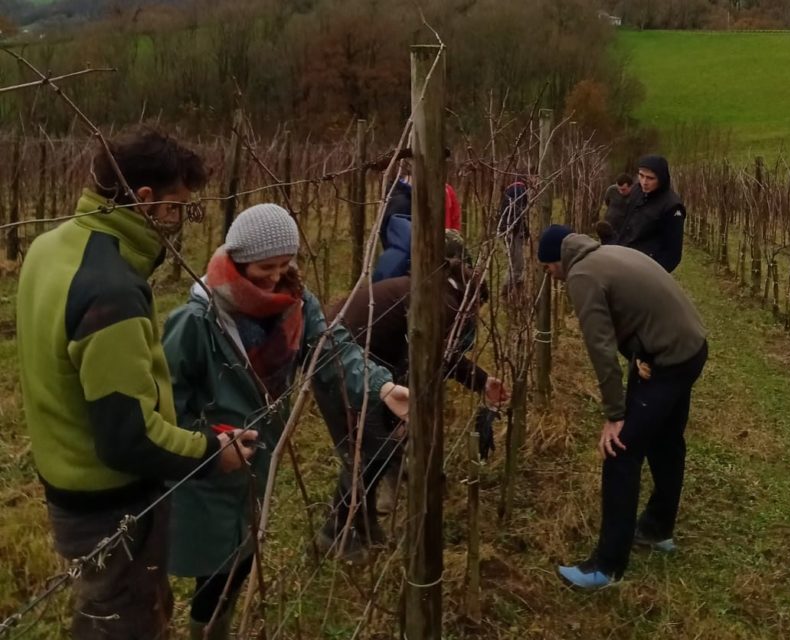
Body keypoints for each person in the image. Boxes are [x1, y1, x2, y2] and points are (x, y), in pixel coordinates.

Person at [16, 128, 257, 640]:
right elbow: (128, 437)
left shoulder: (50, 247)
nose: (181, 222)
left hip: (67, 484)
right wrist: (214, 452)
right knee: (122, 622)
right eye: (178, 207)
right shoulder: (112, 292)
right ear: (145, 200)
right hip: (113, 506)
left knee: (113, 610)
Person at [162, 204, 409, 638]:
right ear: (238, 260)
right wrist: (210, 444)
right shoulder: (196, 321)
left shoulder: (296, 302)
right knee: (215, 567)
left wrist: (381, 386)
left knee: (240, 555)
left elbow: (332, 349)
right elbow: (167, 402)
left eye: (284, 264)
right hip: (208, 465)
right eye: (265, 267)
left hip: (257, 459)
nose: (276, 277)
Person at [537, 225, 708, 589]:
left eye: (547, 268)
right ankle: (657, 529)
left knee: (620, 452)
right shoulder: (607, 254)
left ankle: (606, 567)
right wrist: (639, 355)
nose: (549, 277)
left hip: (669, 358)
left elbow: (600, 348)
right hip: (690, 347)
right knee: (666, 441)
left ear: (558, 260)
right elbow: (637, 312)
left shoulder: (581, 275)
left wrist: (615, 415)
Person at [317, 258, 508, 558]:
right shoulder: (441, 306)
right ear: (471, 302)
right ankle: (337, 532)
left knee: (377, 450)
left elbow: (437, 354)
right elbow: (422, 361)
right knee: (367, 451)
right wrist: (405, 414)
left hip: (359, 365)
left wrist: (482, 381)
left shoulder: (434, 294)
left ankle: (364, 525)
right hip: (339, 365)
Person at [607, 156, 686, 272]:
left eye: (650, 178)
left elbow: (672, 254)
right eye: (641, 175)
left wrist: (650, 274)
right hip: (622, 260)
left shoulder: (672, 207)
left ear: (661, 179)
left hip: (645, 268)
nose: (644, 182)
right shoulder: (636, 191)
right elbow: (625, 226)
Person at [497, 174, 530, 294]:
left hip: (508, 231)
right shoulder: (519, 189)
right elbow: (517, 214)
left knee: (516, 264)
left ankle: (514, 294)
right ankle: (507, 294)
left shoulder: (512, 189)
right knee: (517, 265)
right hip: (511, 232)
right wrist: (517, 231)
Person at [597, 173, 634, 244]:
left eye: (623, 190)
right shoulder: (611, 190)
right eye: (618, 189)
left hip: (622, 231)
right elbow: (607, 202)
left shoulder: (635, 196)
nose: (620, 191)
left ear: (631, 186)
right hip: (608, 226)